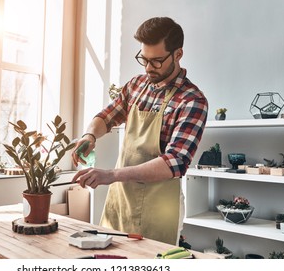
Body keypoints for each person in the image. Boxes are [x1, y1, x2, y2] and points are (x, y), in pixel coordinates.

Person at [71, 17, 208, 245]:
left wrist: (112, 175)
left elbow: (174, 162)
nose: (147, 68)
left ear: (178, 54)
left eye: (156, 61)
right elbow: (107, 117)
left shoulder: (192, 100)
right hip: (121, 199)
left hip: (160, 207)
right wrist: (90, 135)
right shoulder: (136, 85)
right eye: (143, 59)